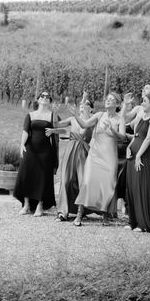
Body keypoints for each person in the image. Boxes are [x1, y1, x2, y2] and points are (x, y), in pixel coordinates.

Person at [70, 92, 126, 226]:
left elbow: (123, 137)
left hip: (110, 156)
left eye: (112, 99)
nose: (108, 100)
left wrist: (113, 131)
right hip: (95, 155)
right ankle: (79, 213)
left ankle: (105, 215)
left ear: (117, 104)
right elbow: (84, 125)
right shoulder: (99, 115)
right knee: (88, 181)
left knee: (107, 184)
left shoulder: (120, 119)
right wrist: (75, 115)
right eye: (107, 98)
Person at [46, 93, 93, 221]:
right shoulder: (72, 119)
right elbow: (56, 125)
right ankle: (62, 212)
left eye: (87, 104)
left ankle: (80, 212)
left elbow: (84, 130)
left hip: (84, 152)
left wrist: (80, 108)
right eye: (82, 104)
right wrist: (55, 112)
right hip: (71, 150)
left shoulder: (93, 119)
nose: (83, 105)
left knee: (83, 181)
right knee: (66, 180)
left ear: (91, 109)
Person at [14, 91, 60, 217]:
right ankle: (27, 205)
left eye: (47, 97)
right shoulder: (30, 115)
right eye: (42, 96)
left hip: (45, 150)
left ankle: (40, 206)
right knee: (27, 174)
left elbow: (61, 129)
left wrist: (54, 130)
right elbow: (25, 131)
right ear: (38, 100)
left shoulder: (52, 115)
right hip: (30, 149)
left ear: (50, 101)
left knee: (42, 177)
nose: (45, 98)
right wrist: (22, 145)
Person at [124, 93, 150, 232]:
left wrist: (139, 155)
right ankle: (132, 220)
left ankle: (143, 223)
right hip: (133, 154)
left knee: (142, 187)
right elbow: (135, 136)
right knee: (132, 187)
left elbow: (148, 138)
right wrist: (128, 147)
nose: (142, 103)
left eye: (144, 101)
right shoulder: (140, 116)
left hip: (143, 156)